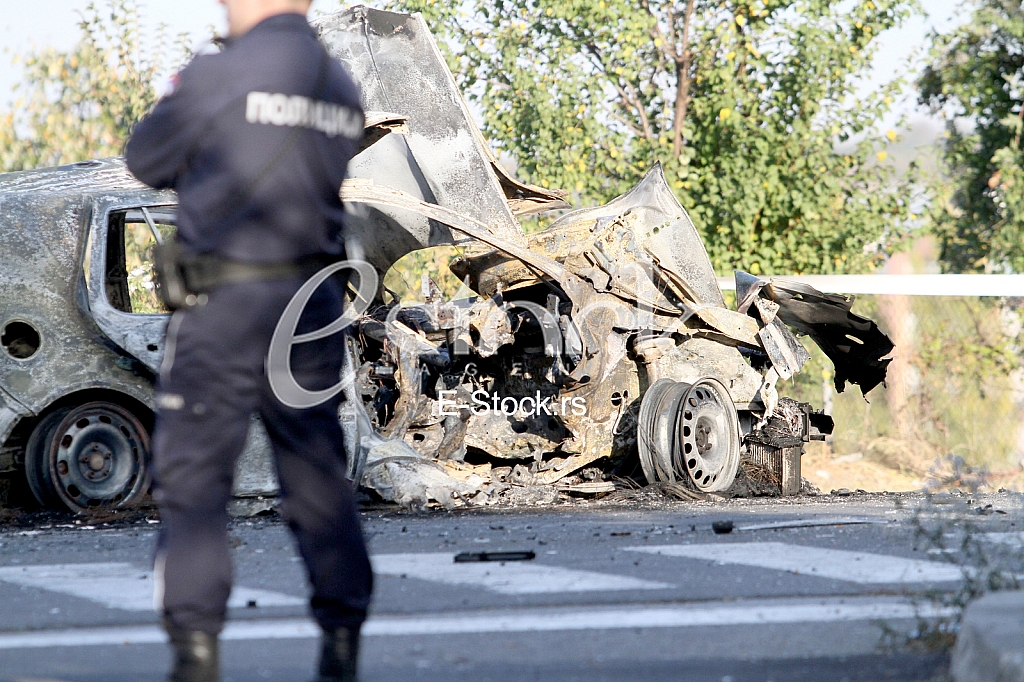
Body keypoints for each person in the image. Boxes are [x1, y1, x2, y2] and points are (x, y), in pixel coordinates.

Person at [124, 1, 372, 681]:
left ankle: (196, 655)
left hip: (223, 305)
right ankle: (342, 647)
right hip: (311, 307)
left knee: (195, 478)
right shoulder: (339, 83)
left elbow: (146, 157)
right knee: (317, 473)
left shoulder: (216, 73)